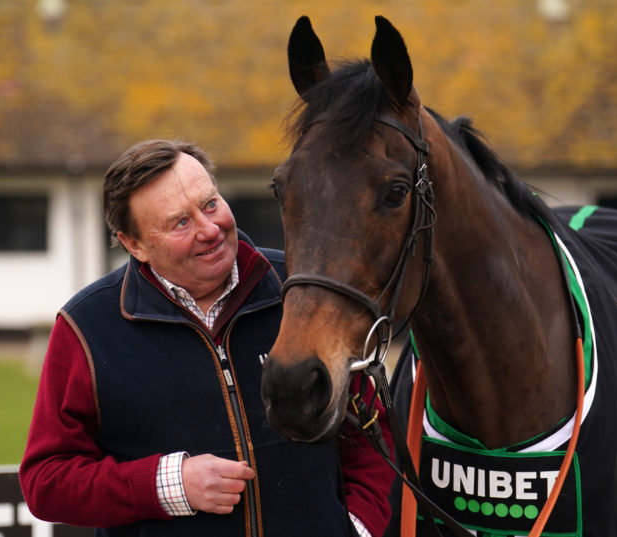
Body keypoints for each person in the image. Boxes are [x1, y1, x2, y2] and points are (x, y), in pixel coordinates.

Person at [19, 139, 395, 537]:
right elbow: (46, 482)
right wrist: (169, 485)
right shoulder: (86, 328)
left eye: (210, 203)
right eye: (181, 221)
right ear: (135, 244)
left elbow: (370, 429)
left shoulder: (303, 290)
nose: (210, 229)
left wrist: (357, 528)